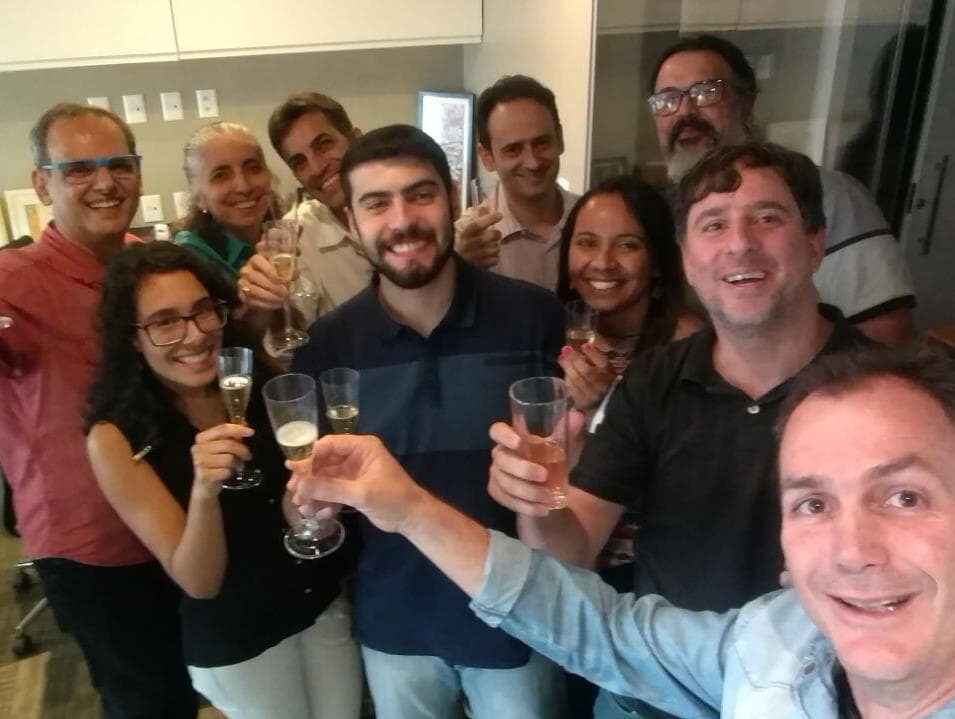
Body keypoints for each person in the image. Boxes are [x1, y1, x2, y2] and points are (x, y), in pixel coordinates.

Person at [287, 343, 955, 719]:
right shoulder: (773, 639)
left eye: (904, 496)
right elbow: (601, 628)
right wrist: (409, 509)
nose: (852, 551)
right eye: (812, 504)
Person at [490, 141, 871, 718]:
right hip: (649, 698)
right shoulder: (653, 380)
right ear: (688, 259)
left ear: (816, 242)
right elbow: (573, 547)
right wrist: (542, 502)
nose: (739, 243)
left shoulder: (891, 393)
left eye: (768, 218)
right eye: (713, 224)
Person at [293, 124, 567, 719]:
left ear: (452, 199)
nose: (402, 221)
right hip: (395, 624)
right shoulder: (328, 346)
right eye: (377, 203)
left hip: (518, 618)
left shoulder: (534, 317)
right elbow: (305, 499)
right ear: (352, 220)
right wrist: (311, 507)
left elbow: (573, 470)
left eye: (420, 195)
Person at [85, 241, 362, 719]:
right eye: (165, 323)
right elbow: (200, 581)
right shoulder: (114, 438)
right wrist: (204, 492)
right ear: (132, 338)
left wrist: (314, 504)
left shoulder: (253, 382)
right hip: (242, 639)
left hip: (318, 604)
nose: (194, 335)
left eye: (202, 311)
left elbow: (289, 511)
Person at [0, 102, 197, 717]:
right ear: (43, 184)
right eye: (79, 169)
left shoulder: (150, 265)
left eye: (119, 165)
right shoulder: (11, 281)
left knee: (198, 680)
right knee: (146, 701)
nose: (105, 183)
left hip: (180, 521)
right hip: (95, 546)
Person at [647, 34, 915, 347]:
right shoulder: (657, 210)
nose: (685, 112)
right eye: (667, 100)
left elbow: (888, 336)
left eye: (706, 92)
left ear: (746, 104)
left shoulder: (832, 197)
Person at [556, 174, 703, 415]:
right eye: (588, 243)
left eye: (627, 245)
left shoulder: (687, 347)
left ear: (657, 262)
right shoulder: (547, 330)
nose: (603, 263)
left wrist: (608, 403)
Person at [238, 92, 373, 327]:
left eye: (324, 144)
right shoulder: (296, 236)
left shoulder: (407, 206)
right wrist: (265, 299)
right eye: (299, 162)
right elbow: (291, 334)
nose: (316, 168)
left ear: (356, 139)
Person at [457, 74, 579, 291]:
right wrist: (459, 272)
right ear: (487, 157)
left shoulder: (590, 221)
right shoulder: (464, 243)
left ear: (560, 139)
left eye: (541, 143)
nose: (533, 162)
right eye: (513, 149)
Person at [175, 121, 276, 278]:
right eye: (221, 176)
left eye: (252, 168)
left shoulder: (291, 237)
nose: (244, 187)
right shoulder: (187, 260)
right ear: (199, 198)